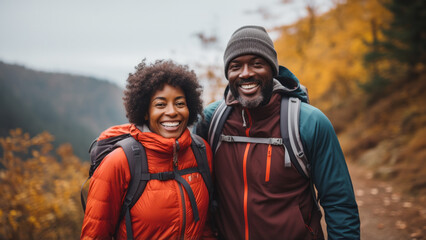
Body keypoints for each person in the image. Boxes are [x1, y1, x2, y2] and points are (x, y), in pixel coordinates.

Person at [195, 25, 360, 239]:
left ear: (272, 70)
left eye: (257, 64)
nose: (246, 73)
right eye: (236, 66)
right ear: (228, 73)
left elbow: (339, 203)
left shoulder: (309, 122)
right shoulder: (212, 119)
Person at [81, 60, 214, 239]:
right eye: (160, 104)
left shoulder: (201, 151)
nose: (172, 111)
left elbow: (205, 226)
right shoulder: (120, 162)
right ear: (145, 112)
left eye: (180, 103)